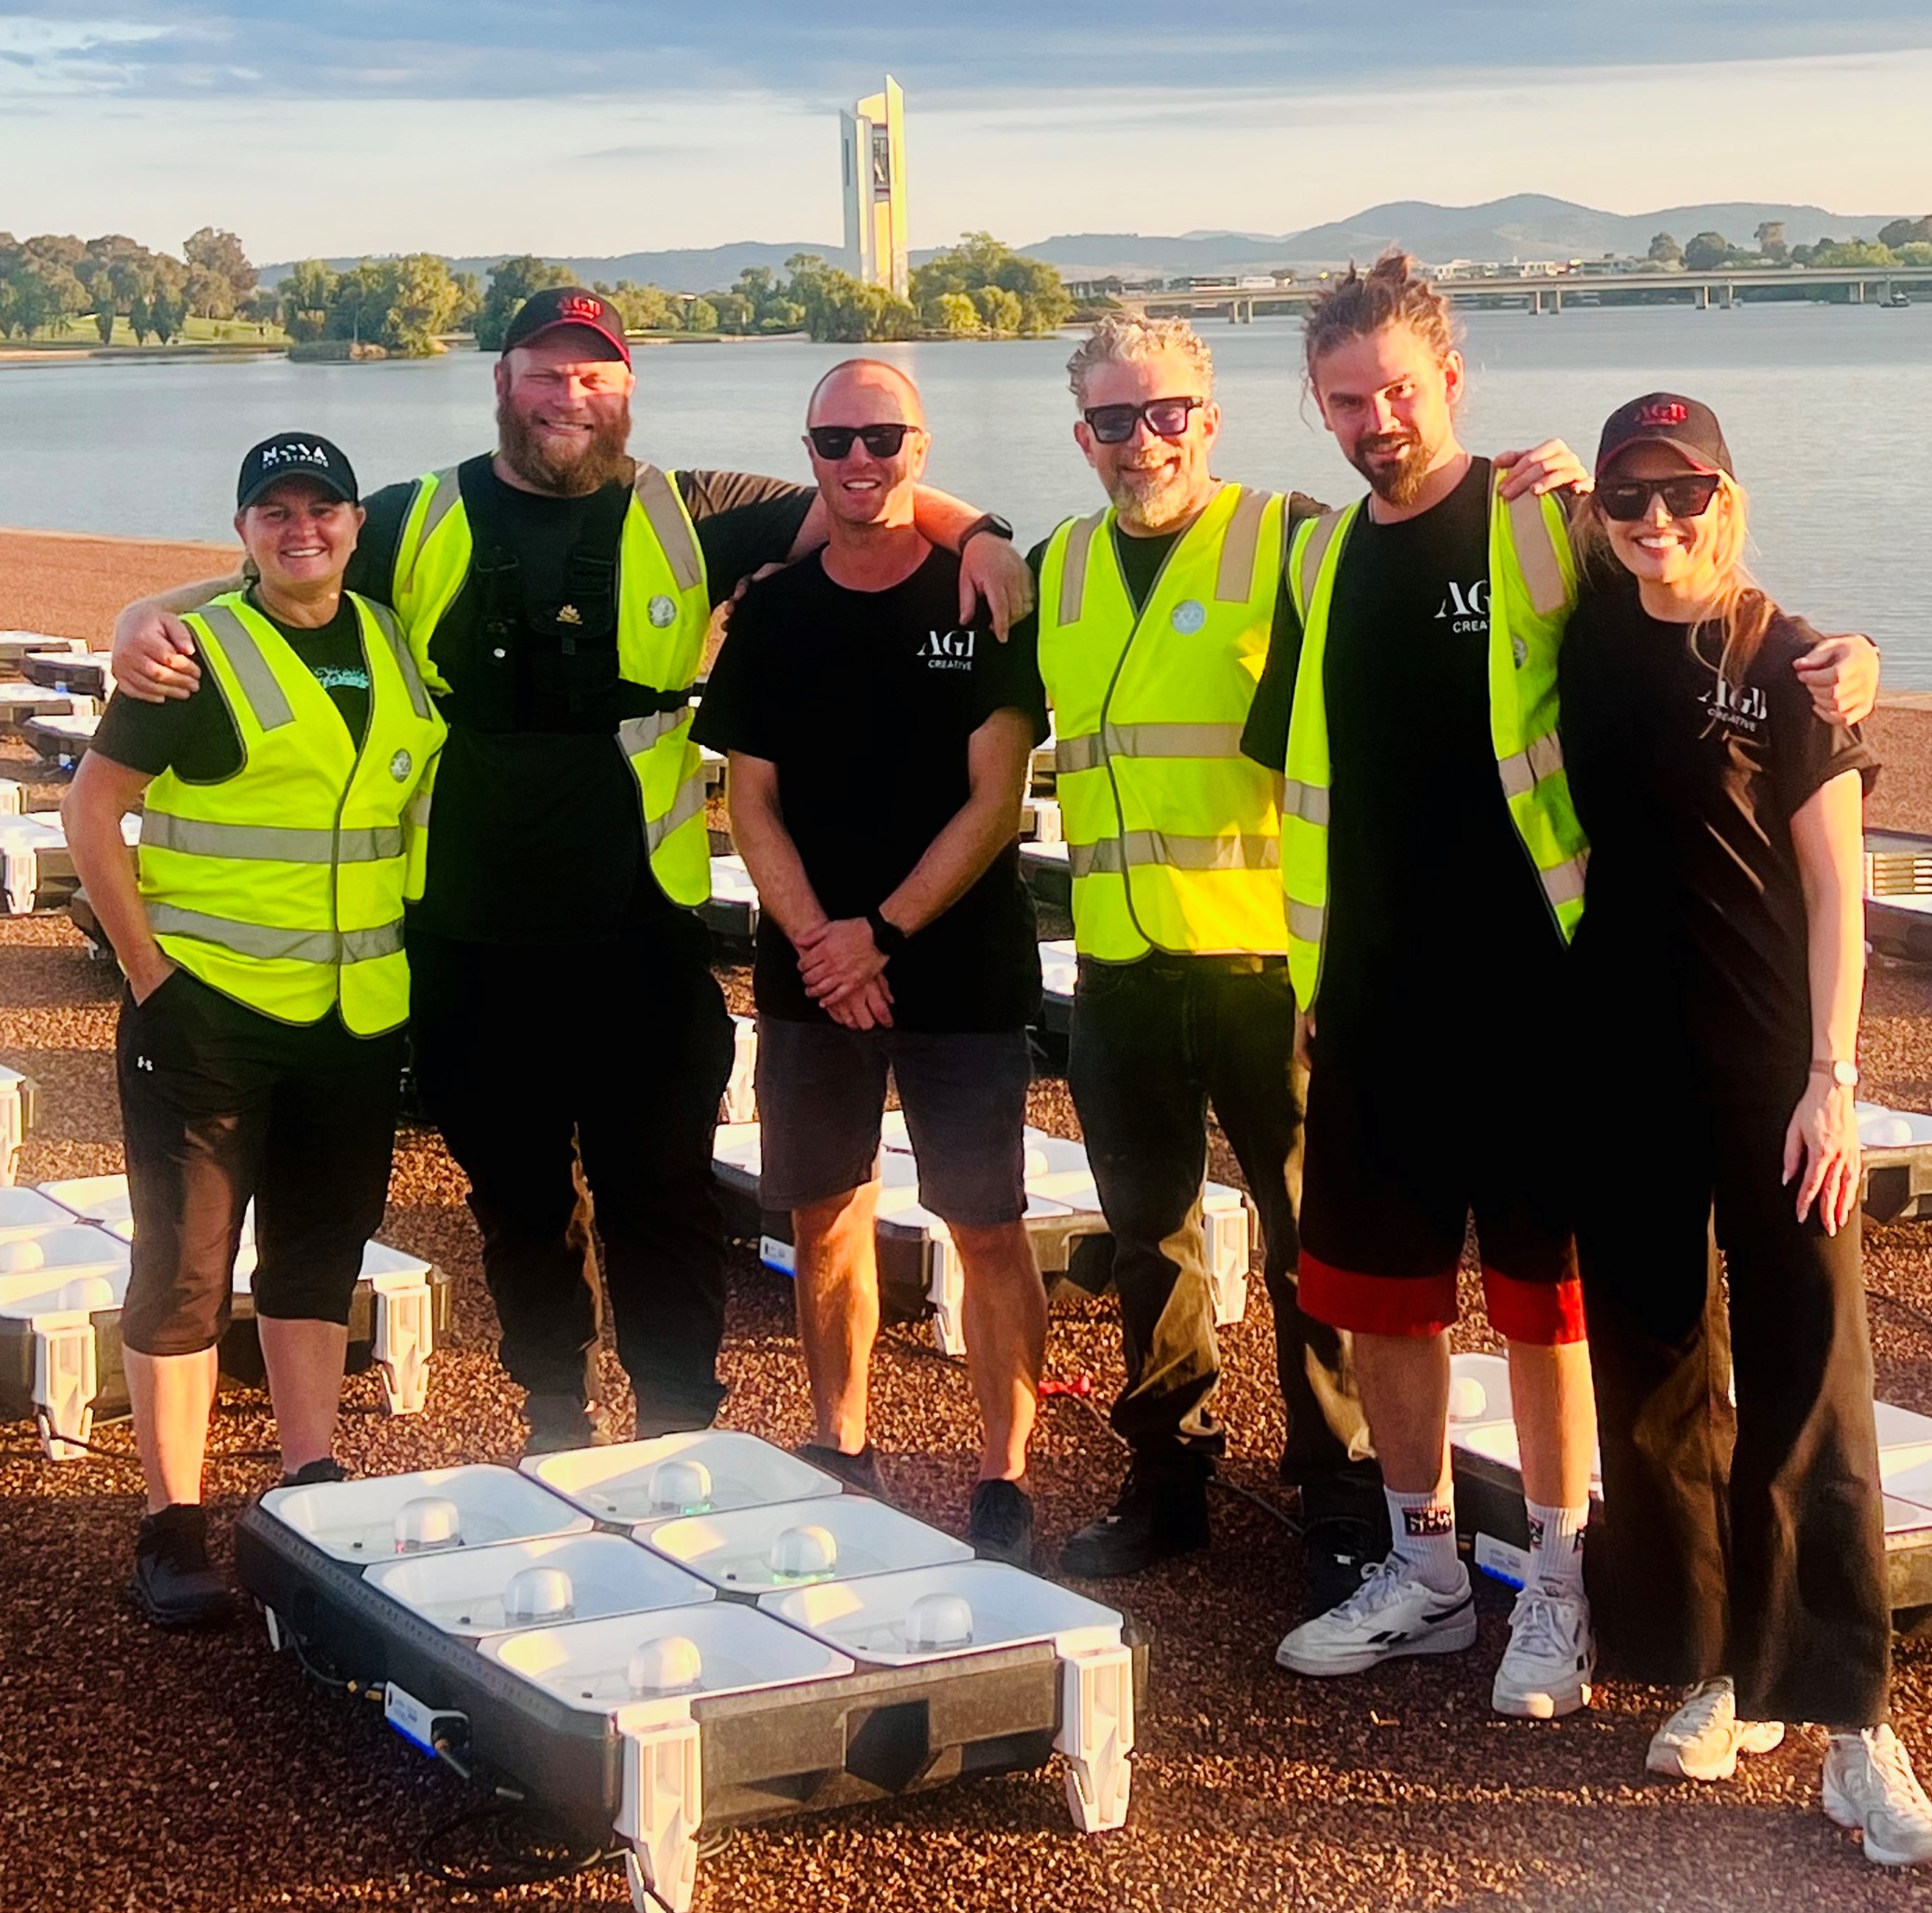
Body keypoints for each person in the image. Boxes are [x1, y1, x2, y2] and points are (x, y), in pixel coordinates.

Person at [108, 291, 1030, 1448]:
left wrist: (985, 530)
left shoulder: (694, 510)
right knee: (520, 1206)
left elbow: (869, 494)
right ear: (504, 384)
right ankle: (554, 1411)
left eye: (592, 376)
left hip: (637, 940)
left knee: (664, 1199)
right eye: (545, 373)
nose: (567, 396)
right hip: (466, 942)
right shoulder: (419, 517)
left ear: (626, 392)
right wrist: (148, 608)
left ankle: (682, 1422)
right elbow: (287, 568)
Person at [1244, 254, 1880, 1721]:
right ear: (1319, 408)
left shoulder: (1549, 525)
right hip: (1375, 996)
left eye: (1398, 391)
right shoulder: (1318, 557)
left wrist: (1843, 661)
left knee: (1545, 1307)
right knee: (1389, 1299)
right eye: (1345, 401)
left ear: (1449, 382)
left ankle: (1563, 1581)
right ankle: (1423, 1568)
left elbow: (1701, 596)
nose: (1375, 420)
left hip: (1543, 991)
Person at [1559, 391, 1932, 1866]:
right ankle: (1723, 1667)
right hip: (1625, 1062)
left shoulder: (1795, 660)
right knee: (1657, 1362)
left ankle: (1854, 1722)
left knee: (1809, 1367)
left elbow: (1840, 891)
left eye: (1686, 495)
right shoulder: (1591, 622)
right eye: (1629, 500)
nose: (1658, 524)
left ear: (1731, 495)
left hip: (1774, 1073)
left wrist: (1834, 1077)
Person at [1028, 314, 1382, 1609]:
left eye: (1166, 412)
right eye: (1114, 421)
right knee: (1150, 1243)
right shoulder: (1053, 568)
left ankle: (1342, 1498)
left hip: (1265, 970)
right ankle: (1168, 1483)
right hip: (1121, 970)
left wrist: (1555, 492)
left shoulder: (1291, 541)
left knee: (1313, 1245)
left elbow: (1458, 548)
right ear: (1082, 436)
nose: (1142, 441)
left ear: (1209, 421)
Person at [63, 435, 443, 1627]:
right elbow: (92, 808)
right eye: (272, 512)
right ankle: (171, 1525)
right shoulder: (193, 655)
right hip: (208, 1013)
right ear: (241, 530)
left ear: (352, 524)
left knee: (320, 1252)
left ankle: (308, 1482)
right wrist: (149, 975)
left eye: (321, 509)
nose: (301, 530)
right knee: (184, 1264)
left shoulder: (391, 640)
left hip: (356, 1011)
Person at [699, 361, 1049, 1563]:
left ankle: (1002, 1470)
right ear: (809, 454)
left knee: (985, 1221)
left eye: (884, 436)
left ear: (920, 444)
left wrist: (881, 933)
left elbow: (995, 802)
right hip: (813, 969)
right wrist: (819, 944)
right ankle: (839, 1445)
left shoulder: (981, 594)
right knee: (826, 1212)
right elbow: (749, 800)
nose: (862, 459)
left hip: (956, 968)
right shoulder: (777, 611)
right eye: (837, 440)